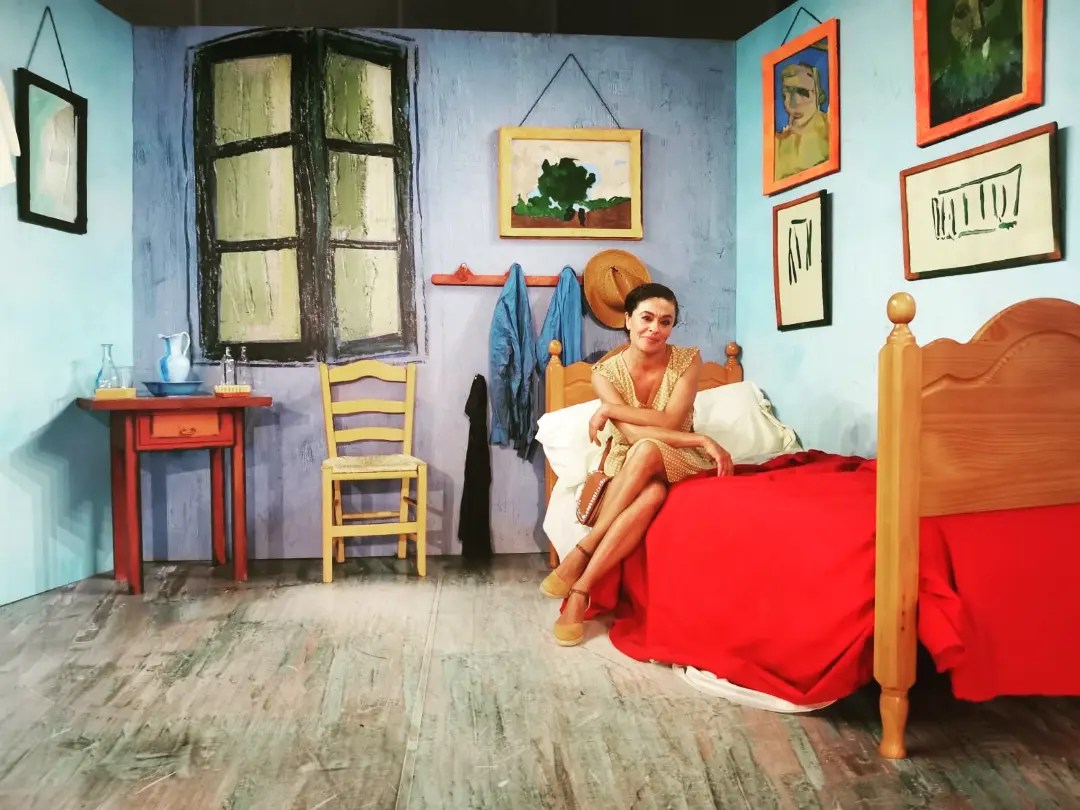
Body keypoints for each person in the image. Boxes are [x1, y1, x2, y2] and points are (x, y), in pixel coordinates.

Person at [539, 282, 734, 646]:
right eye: (646, 318)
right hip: (629, 461)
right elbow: (630, 435)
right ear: (628, 320)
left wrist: (610, 410)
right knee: (651, 489)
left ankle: (582, 555)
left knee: (647, 449)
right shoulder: (603, 373)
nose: (655, 328)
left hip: (678, 457)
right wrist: (700, 439)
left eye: (665, 321)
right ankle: (581, 591)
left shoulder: (687, 360)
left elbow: (671, 422)